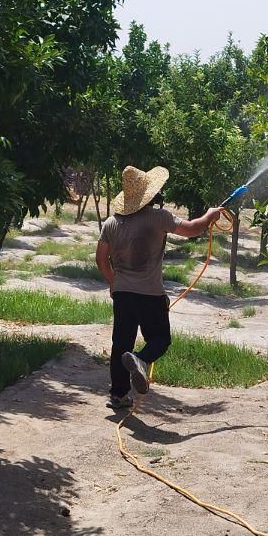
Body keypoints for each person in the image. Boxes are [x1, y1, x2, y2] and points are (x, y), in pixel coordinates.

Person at [96, 164, 221, 410]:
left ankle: (119, 395)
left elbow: (101, 259)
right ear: (150, 195)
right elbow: (193, 229)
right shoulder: (158, 217)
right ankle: (140, 361)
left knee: (121, 343)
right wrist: (209, 215)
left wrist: (113, 283)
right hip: (150, 293)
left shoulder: (111, 223)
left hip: (122, 293)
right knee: (160, 339)